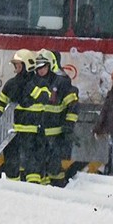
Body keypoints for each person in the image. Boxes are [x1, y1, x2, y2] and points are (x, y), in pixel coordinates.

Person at [0, 49, 36, 180]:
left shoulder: (37, 84)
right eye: (15, 64)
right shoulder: (11, 83)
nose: (15, 67)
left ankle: (29, 186)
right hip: (12, 131)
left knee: (31, 164)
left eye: (18, 64)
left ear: (27, 65)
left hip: (32, 131)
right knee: (12, 163)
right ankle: (12, 186)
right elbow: (2, 101)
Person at [16, 51, 70, 185]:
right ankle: (38, 184)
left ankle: (42, 184)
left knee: (44, 160)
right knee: (37, 159)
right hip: (38, 128)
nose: (41, 70)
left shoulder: (59, 81)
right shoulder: (35, 81)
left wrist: (68, 124)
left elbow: (65, 103)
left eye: (43, 66)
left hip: (46, 128)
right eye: (38, 67)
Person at [40, 49, 79, 186]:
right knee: (43, 165)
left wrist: (68, 126)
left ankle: (56, 189)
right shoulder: (40, 80)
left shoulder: (61, 81)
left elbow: (72, 105)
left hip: (55, 133)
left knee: (53, 166)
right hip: (42, 132)